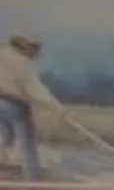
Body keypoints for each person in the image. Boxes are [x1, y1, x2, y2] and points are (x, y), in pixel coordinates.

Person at [0, 33, 65, 181]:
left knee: (5, 139)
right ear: (24, 46)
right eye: (35, 48)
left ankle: (3, 172)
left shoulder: (1, 55)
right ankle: (33, 181)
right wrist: (56, 106)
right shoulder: (22, 63)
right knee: (27, 145)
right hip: (15, 105)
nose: (36, 53)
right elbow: (35, 89)